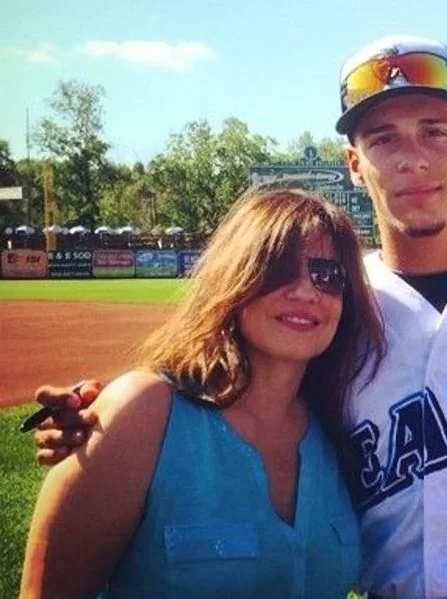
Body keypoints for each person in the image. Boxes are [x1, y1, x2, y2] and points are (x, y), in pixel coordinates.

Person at [30, 35, 447, 598]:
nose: (412, 157)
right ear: (354, 164)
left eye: (436, 130)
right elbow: (220, 385)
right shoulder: (338, 305)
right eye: (383, 138)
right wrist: (100, 419)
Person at [20, 188, 385, 598]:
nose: (305, 291)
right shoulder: (143, 412)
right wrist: (114, 417)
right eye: (277, 269)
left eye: (327, 274)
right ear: (236, 277)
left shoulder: (341, 428)